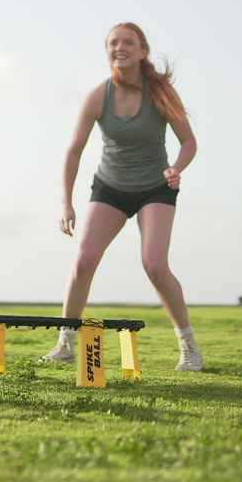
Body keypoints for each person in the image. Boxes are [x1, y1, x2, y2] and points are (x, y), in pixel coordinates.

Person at [43, 23, 202, 371]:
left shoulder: (161, 93)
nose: (120, 48)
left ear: (142, 51)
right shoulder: (97, 97)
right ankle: (66, 343)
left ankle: (189, 346)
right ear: (107, 51)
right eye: (113, 43)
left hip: (155, 188)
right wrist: (66, 201)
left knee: (155, 265)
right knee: (83, 261)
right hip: (110, 188)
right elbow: (74, 151)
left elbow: (189, 141)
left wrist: (177, 168)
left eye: (128, 42)